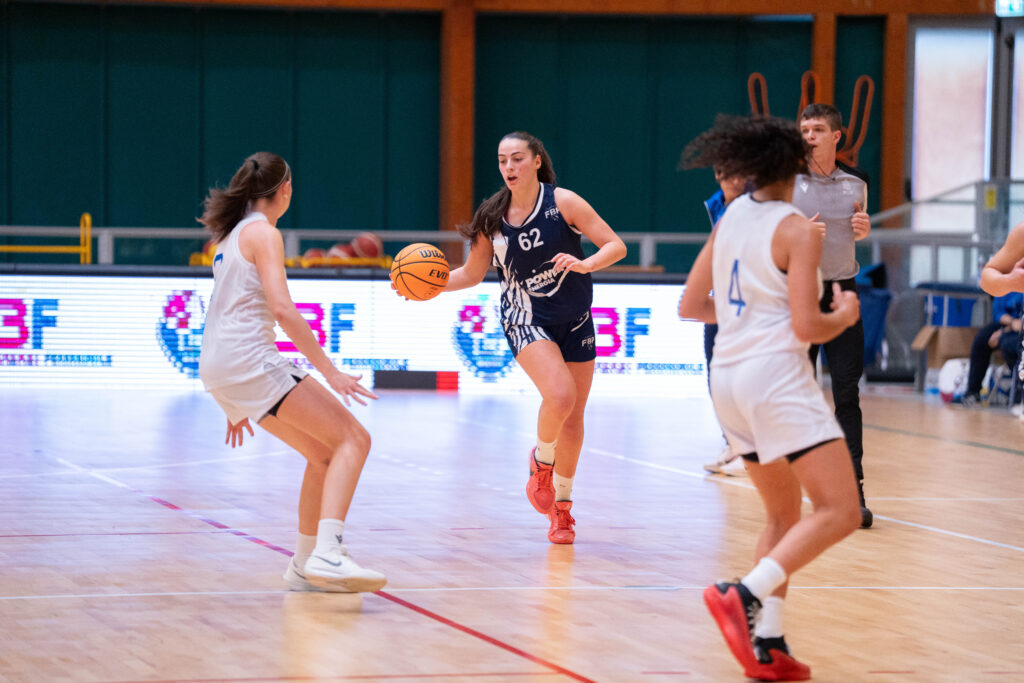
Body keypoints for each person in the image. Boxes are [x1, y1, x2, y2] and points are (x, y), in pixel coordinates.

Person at [678, 114, 862, 681]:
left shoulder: (729, 219)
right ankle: (745, 592)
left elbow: (691, 306)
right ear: (795, 168)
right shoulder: (797, 229)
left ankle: (769, 640)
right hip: (774, 378)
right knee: (841, 511)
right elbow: (808, 327)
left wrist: (749, 317)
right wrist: (843, 316)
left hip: (727, 380)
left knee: (783, 515)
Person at [197, 151, 386, 593]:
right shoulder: (264, 233)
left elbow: (223, 311)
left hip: (222, 365)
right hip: (248, 360)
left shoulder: (229, 237)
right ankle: (329, 551)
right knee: (355, 439)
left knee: (323, 454)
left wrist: (232, 397)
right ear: (285, 189)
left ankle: (303, 564)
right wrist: (330, 372)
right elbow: (283, 309)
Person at [442, 131, 626, 544]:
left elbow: (616, 246)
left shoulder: (564, 202)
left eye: (517, 158)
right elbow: (471, 274)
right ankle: (542, 463)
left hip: (575, 317)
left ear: (537, 160)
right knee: (560, 396)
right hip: (525, 318)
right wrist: (430, 285)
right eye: (502, 160)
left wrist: (587, 263)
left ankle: (562, 509)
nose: (509, 167)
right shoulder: (492, 217)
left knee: (574, 419)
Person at [791, 103, 874, 528]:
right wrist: (801, 234)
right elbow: (769, 238)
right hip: (800, 292)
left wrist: (865, 229)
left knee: (846, 391)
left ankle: (852, 491)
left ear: (836, 136)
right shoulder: (787, 182)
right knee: (799, 394)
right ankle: (798, 489)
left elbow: (858, 229)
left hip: (844, 290)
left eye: (818, 129)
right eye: (805, 129)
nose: (810, 135)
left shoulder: (856, 183)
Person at [700, 168, 749, 477]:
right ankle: (732, 443)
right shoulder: (716, 203)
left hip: (748, 304)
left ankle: (751, 448)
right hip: (720, 299)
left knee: (744, 377)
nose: (731, 177)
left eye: (736, 171)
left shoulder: (759, 206)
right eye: (723, 171)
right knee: (715, 373)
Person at [960, 292, 1023, 408]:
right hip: (1010, 324)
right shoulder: (1004, 286)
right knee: (981, 340)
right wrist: (1009, 326)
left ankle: (1019, 392)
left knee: (1009, 345)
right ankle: (973, 392)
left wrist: (1003, 332)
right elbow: (999, 313)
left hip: (1019, 327)